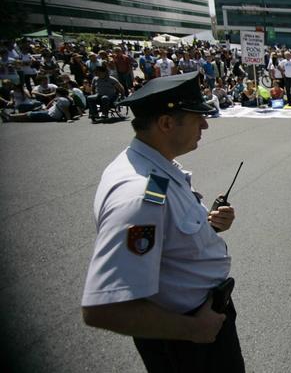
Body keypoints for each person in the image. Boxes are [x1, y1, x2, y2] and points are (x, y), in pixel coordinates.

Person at [80, 71, 245, 373]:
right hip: (185, 339)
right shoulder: (139, 194)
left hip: (199, 323)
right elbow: (103, 308)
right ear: (167, 123)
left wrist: (210, 226)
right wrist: (192, 330)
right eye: (197, 118)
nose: (206, 124)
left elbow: (166, 235)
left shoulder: (156, 169)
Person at [1, 87, 72, 123]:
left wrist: (68, 119)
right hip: (49, 112)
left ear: (58, 93)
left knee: (29, 114)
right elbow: (53, 101)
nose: (54, 93)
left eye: (55, 92)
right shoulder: (62, 98)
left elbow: (66, 110)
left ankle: (10, 117)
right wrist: (47, 107)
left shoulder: (62, 100)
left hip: (51, 116)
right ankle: (10, 117)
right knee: (29, 114)